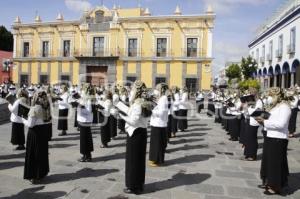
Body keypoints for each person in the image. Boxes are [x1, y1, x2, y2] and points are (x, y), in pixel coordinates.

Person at [256, 88, 291, 195]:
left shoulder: (285, 107)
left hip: (278, 138)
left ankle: (275, 186)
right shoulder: (275, 106)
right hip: (270, 136)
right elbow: (271, 120)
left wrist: (265, 122)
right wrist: (262, 120)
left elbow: (281, 124)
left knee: (275, 163)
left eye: (271, 95)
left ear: (277, 96)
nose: (269, 98)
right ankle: (268, 181)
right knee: (268, 161)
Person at [120, 81, 150, 195]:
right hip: (141, 133)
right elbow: (131, 113)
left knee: (133, 161)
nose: (130, 91)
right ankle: (139, 184)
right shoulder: (143, 102)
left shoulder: (138, 104)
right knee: (139, 161)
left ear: (136, 91)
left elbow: (133, 120)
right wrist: (120, 106)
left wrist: (121, 116)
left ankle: (133, 186)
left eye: (132, 89)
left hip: (135, 134)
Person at [23, 91, 51, 184]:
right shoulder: (46, 107)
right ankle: (42, 173)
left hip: (34, 133)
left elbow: (30, 124)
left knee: (34, 154)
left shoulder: (34, 109)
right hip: (43, 132)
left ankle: (34, 175)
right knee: (41, 153)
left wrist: (23, 118)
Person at [149, 83, 169, 167]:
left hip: (158, 124)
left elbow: (161, 112)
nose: (155, 90)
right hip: (157, 123)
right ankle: (158, 159)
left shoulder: (163, 98)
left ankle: (156, 160)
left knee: (156, 144)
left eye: (157, 89)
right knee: (157, 143)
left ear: (161, 90)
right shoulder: (161, 98)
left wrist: (151, 110)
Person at [77, 85, 94, 162]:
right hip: (83, 120)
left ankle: (85, 156)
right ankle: (88, 155)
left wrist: (80, 109)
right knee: (86, 138)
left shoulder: (88, 99)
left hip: (85, 121)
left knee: (84, 139)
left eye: (83, 90)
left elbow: (89, 111)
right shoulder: (84, 98)